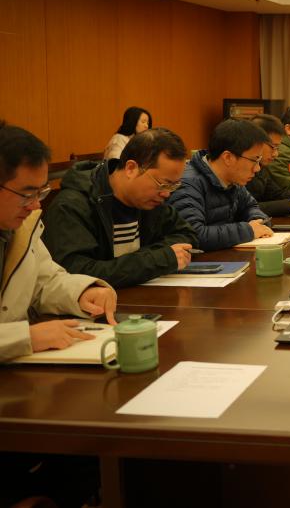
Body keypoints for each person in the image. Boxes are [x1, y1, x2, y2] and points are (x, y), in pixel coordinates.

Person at [0, 121, 118, 362]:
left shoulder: (20, 228)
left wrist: (82, 293)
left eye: (41, 192)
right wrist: (24, 338)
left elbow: (45, 281)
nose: (36, 205)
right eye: (27, 194)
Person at [42, 128, 198, 288]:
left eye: (173, 186)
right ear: (131, 168)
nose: (166, 193)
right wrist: (157, 259)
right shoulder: (72, 206)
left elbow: (187, 235)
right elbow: (77, 274)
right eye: (163, 184)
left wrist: (149, 259)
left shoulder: (150, 201)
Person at [168, 119, 272, 251]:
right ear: (228, 157)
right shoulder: (188, 184)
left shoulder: (233, 180)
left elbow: (250, 206)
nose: (257, 168)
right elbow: (193, 235)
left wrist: (258, 220)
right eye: (254, 160)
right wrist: (248, 230)